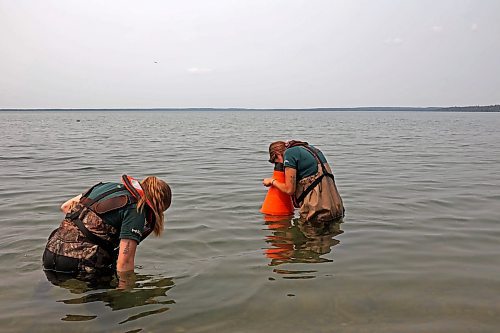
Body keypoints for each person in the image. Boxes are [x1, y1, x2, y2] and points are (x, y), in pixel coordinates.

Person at [42, 174, 172, 285]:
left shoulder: (106, 187)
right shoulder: (137, 209)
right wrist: (125, 294)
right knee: (107, 310)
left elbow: (65, 207)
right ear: (158, 205)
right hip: (77, 264)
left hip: (51, 251)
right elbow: (125, 262)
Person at [263, 140, 344, 222]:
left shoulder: (289, 154)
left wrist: (272, 181)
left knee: (309, 232)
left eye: (277, 162)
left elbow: (289, 190)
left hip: (318, 211)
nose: (282, 166)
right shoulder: (309, 148)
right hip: (336, 206)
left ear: (277, 154)